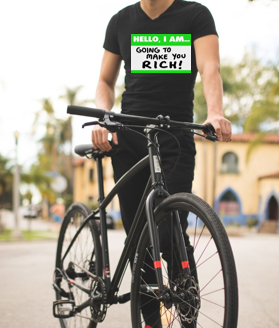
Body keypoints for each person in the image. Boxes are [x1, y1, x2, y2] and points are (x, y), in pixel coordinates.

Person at [92, 1, 231, 327]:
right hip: (129, 138)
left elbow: (210, 68)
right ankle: (153, 323)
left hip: (175, 139)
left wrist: (215, 112)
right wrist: (104, 117)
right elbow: (104, 81)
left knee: (171, 232)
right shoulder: (120, 21)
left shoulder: (195, 15)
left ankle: (188, 318)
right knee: (139, 237)